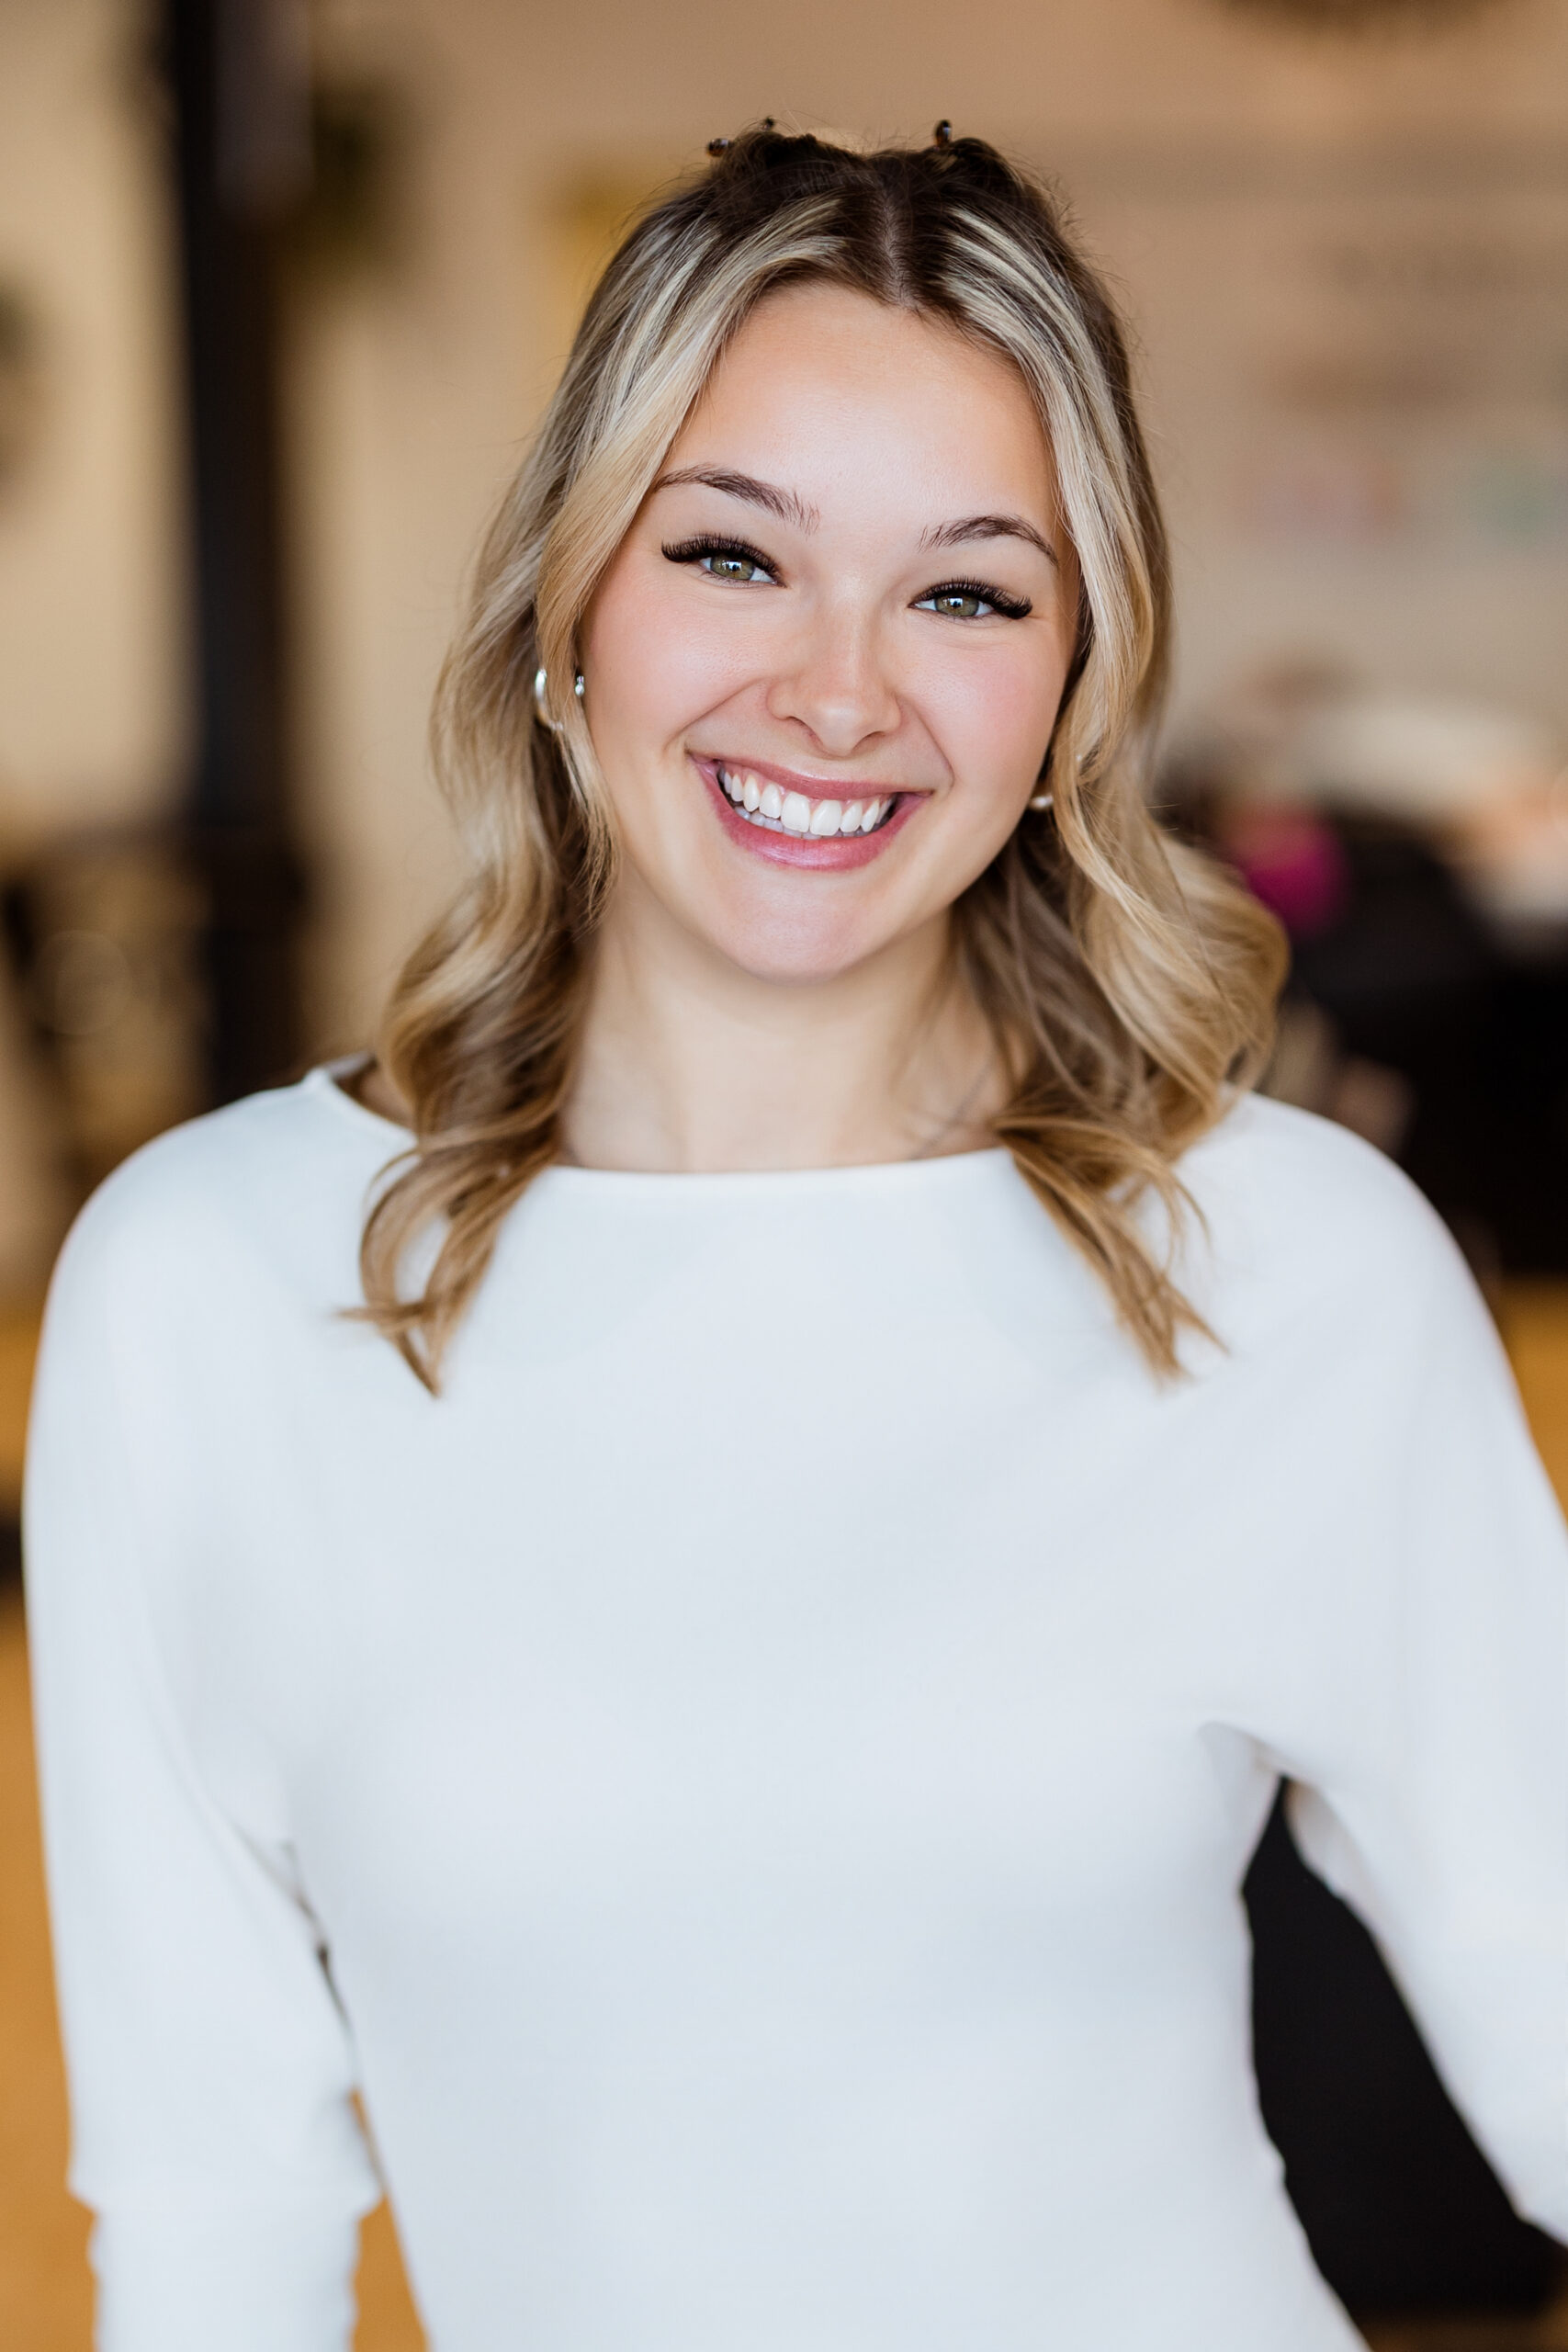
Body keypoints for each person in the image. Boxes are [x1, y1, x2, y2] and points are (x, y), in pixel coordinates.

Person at [25, 127, 1566, 2352]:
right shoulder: (214, 1288)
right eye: (733, 554)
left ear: (1068, 690)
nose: (839, 692)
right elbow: (206, 2205)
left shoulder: (1283, 1264)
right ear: (567, 603)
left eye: (964, 590)